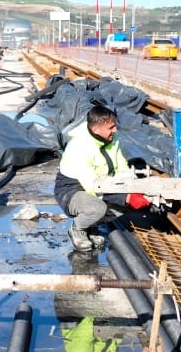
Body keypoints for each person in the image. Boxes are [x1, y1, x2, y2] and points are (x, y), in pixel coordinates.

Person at [53, 105, 151, 252]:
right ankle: (78, 228)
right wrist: (126, 197)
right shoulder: (80, 147)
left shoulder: (112, 139)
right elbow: (93, 187)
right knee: (97, 207)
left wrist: (133, 187)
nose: (115, 130)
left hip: (102, 182)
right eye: (111, 128)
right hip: (71, 188)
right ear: (96, 130)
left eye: (115, 126)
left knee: (123, 203)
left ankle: (91, 226)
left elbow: (121, 167)